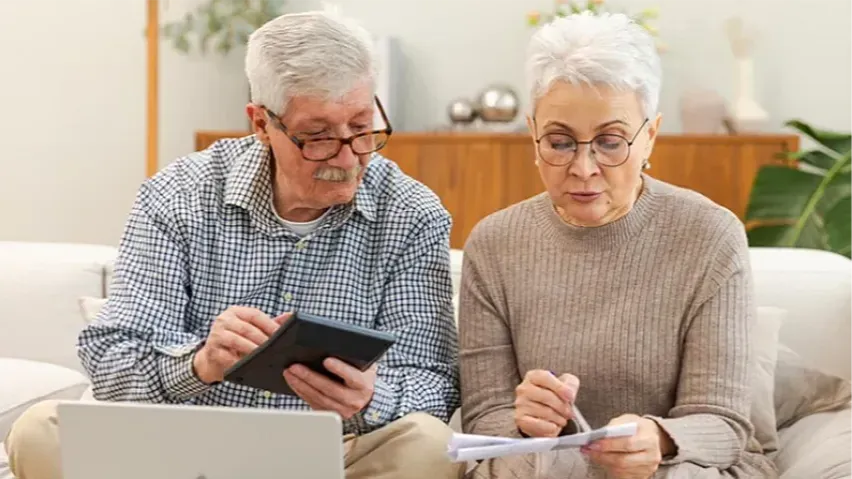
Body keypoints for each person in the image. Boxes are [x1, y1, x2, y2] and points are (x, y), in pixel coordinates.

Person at [4, 10, 464, 479]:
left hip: (335, 455)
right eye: (318, 136)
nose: (347, 158)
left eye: (362, 128)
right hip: (182, 449)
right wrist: (200, 362)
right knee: (39, 431)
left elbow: (435, 382)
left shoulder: (411, 213)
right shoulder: (179, 195)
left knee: (430, 447)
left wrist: (369, 398)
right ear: (261, 123)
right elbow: (112, 358)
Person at [457, 12, 778, 479]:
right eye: (560, 142)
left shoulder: (710, 235)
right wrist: (522, 421)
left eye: (610, 141)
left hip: (681, 465)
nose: (584, 168)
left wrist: (659, 438)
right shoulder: (493, 244)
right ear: (532, 133)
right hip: (545, 463)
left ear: (649, 135)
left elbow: (723, 424)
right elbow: (485, 419)